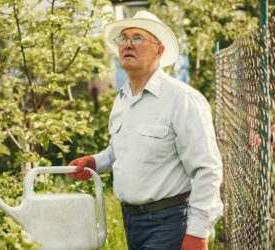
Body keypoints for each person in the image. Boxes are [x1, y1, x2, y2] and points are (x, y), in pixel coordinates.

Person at [68, 10, 223, 250]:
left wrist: (198, 233)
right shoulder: (122, 99)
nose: (128, 44)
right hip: (132, 222)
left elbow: (207, 170)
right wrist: (94, 162)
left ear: (159, 50)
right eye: (123, 38)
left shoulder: (182, 99)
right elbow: (119, 150)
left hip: (170, 222)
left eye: (138, 38)